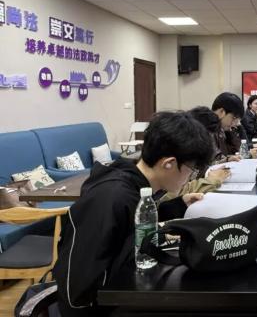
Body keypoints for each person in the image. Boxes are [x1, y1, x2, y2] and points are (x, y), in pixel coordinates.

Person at [54, 111, 214, 316]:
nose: (191, 177)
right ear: (169, 163)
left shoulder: (134, 186)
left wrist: (179, 205)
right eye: (192, 170)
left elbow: (134, 219)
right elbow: (79, 286)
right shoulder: (111, 197)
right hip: (98, 308)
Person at [211, 92, 246, 157]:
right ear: (221, 112)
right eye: (233, 118)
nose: (235, 124)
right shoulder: (207, 128)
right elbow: (215, 158)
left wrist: (232, 132)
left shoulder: (223, 129)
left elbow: (235, 151)